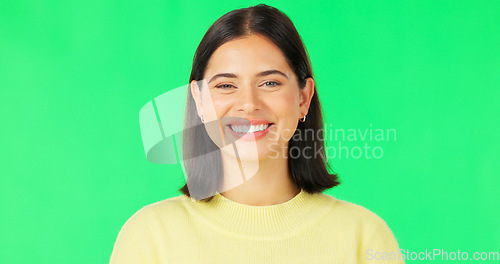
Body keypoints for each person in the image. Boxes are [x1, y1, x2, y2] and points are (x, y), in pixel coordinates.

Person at [110, 4, 404, 264]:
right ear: (199, 102)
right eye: (225, 85)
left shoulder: (364, 237)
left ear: (303, 98)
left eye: (270, 83)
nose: (249, 104)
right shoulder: (149, 237)